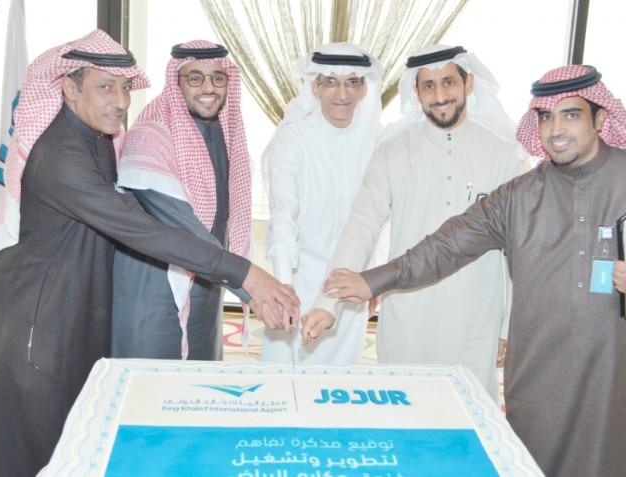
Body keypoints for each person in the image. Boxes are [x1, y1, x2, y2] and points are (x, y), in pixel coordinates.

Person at [0, 30, 299, 477]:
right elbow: (142, 230)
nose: (120, 101)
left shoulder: (97, 139)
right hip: (37, 330)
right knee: (41, 457)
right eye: (105, 87)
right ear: (69, 88)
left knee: (82, 447)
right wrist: (247, 274)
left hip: (73, 314)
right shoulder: (60, 155)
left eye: (125, 87)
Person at [303, 64, 626, 477]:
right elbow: (447, 246)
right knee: (528, 462)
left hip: (611, 369)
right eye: (547, 117)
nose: (556, 129)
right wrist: (371, 281)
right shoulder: (520, 196)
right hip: (539, 374)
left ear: (600, 119)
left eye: (572, 115)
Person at [305, 45, 528, 397]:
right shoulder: (393, 152)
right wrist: (326, 303)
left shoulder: (506, 156)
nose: (440, 96)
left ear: (468, 84)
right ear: (416, 92)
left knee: (466, 412)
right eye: (429, 86)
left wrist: (508, 326)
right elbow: (361, 227)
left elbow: (519, 251)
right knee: (403, 411)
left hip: (476, 318)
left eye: (448, 83)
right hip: (407, 314)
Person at [112, 40, 251, 360]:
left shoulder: (223, 131)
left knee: (200, 377)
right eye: (195, 78)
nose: (208, 88)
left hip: (210, 281)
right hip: (155, 288)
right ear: (176, 82)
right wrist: (250, 284)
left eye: (217, 78)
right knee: (154, 377)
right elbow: (182, 226)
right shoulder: (149, 135)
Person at [260, 43, 383, 365]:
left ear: (364, 88)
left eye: (351, 82)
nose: (342, 94)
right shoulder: (292, 137)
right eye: (331, 82)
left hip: (351, 282)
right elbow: (283, 216)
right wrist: (284, 287)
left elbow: (382, 217)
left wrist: (376, 278)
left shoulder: (377, 140)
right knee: (283, 378)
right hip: (299, 276)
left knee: (337, 382)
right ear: (315, 87)